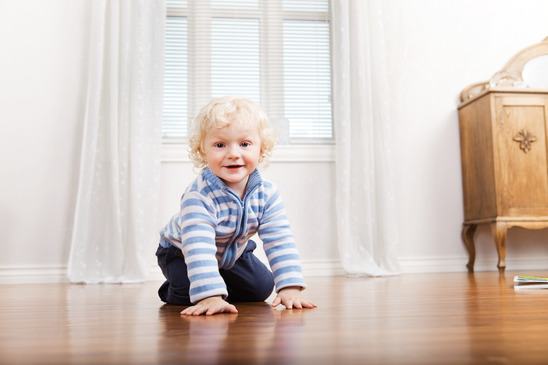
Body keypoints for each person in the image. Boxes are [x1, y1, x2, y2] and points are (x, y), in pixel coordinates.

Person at [156, 96, 317, 316]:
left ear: (261, 149)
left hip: (232, 252)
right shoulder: (199, 195)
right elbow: (199, 247)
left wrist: (290, 286)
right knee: (189, 293)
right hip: (182, 252)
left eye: (244, 144)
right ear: (203, 151)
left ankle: (217, 283)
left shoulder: (266, 192)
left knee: (261, 287)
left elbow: (279, 238)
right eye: (220, 145)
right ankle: (179, 288)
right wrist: (210, 296)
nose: (233, 153)